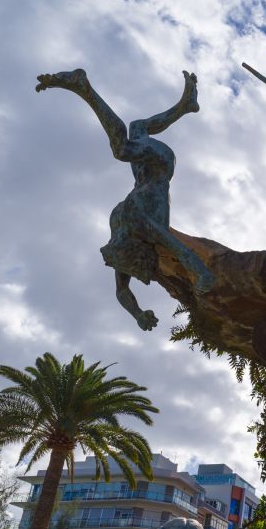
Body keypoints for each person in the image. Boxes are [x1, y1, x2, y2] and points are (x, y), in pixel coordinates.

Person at [35, 68, 214, 331]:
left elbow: (178, 248)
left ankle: (84, 87)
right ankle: (185, 106)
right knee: (136, 129)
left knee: (124, 145)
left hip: (155, 166)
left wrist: (202, 274)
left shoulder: (139, 228)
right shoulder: (121, 229)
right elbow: (121, 291)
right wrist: (138, 314)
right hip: (152, 168)